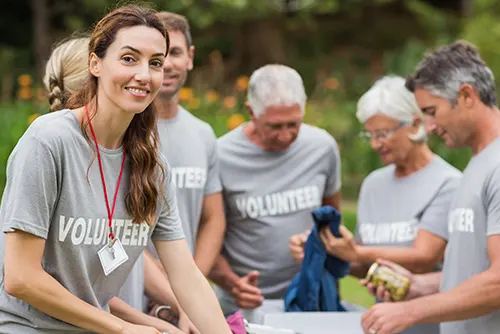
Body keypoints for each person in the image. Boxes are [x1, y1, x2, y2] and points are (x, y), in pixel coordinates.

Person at [0, 4, 231, 334]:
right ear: (95, 62)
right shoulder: (49, 141)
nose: (144, 74)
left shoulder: (152, 165)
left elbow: (187, 278)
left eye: (155, 63)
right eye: (129, 58)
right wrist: (120, 328)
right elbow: (20, 277)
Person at [43, 35, 191, 334]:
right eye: (127, 60)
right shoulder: (48, 148)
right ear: (95, 72)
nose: (142, 76)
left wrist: (179, 308)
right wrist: (136, 324)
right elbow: (65, 286)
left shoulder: (141, 157)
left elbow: (123, 244)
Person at [290, 75, 461, 333]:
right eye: (368, 134)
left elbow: (423, 258)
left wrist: (357, 252)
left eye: (382, 134)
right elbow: (366, 267)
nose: (374, 144)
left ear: (415, 124)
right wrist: (325, 250)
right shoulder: (373, 185)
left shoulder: (448, 184)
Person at [360, 40, 500, 334]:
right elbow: (472, 272)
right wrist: (419, 286)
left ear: (466, 95)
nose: (430, 126)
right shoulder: (476, 164)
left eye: (432, 111)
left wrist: (411, 312)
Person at [209, 64, 343, 320]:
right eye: (274, 126)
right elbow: (205, 236)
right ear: (250, 111)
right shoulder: (220, 156)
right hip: (242, 305)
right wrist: (232, 283)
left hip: (308, 299)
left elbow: (331, 221)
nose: (285, 136)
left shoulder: (322, 148)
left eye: (294, 124)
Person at [144, 11, 225, 326]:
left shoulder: (203, 133)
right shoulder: (125, 133)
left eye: (175, 53)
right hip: (128, 293)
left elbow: (213, 218)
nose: (167, 64)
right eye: (158, 56)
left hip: (186, 302)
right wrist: (168, 287)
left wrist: (191, 283)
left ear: (190, 57)